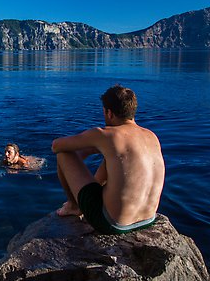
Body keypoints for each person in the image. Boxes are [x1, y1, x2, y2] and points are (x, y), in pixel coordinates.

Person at [51, 84, 165, 234]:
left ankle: (74, 206)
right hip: (148, 219)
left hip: (113, 224)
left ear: (109, 113)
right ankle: (84, 201)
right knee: (113, 159)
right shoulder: (151, 136)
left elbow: (56, 146)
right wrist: (99, 149)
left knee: (64, 154)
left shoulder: (105, 135)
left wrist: (91, 148)